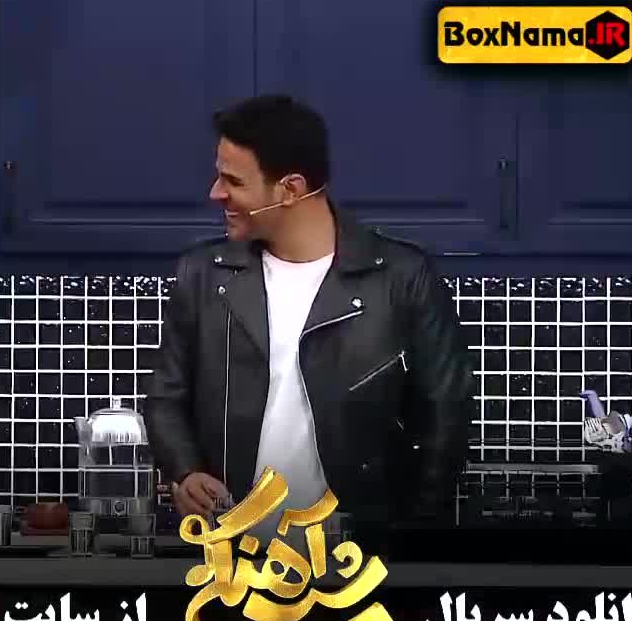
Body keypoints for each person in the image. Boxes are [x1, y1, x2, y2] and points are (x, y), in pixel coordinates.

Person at [145, 95, 473, 551]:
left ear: (291, 189)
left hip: (357, 559)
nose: (215, 193)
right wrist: (185, 471)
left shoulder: (401, 278)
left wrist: (407, 534)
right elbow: (166, 396)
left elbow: (446, 418)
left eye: (233, 180)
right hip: (231, 557)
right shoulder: (203, 275)